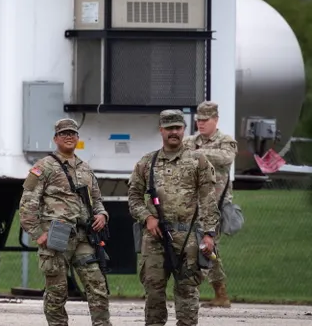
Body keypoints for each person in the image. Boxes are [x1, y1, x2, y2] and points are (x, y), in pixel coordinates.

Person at [128, 110, 220, 326]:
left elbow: (208, 200)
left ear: (184, 130)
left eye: (177, 128)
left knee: (188, 295)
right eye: (169, 128)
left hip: (188, 237)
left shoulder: (198, 160)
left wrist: (209, 234)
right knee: (154, 294)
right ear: (161, 130)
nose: (174, 132)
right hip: (155, 238)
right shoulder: (147, 162)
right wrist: (147, 217)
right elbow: (133, 197)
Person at [18, 118, 112, 326]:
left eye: (73, 133)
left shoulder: (85, 168)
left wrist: (102, 215)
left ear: (78, 139)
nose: (69, 137)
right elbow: (27, 203)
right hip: (56, 236)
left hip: (84, 237)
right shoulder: (44, 167)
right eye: (64, 134)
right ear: (55, 138)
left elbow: (96, 199)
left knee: (98, 286)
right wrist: (37, 233)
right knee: (56, 293)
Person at [184, 101, 238, 308]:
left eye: (205, 120)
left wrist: (199, 153)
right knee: (209, 249)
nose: (201, 124)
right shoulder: (190, 141)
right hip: (192, 205)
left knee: (204, 247)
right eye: (198, 120)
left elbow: (225, 159)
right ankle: (220, 294)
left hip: (214, 206)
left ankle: (190, 293)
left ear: (215, 120)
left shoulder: (226, 141)